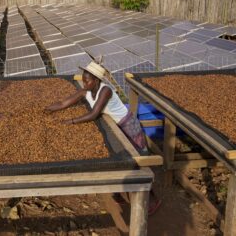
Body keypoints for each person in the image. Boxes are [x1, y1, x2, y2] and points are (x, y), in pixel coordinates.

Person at [45, 61, 161, 215]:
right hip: (114, 125)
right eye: (84, 80)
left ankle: (151, 198)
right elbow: (64, 102)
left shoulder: (105, 90)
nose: (84, 83)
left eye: (87, 81)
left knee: (138, 162)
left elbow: (94, 114)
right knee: (120, 158)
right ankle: (119, 192)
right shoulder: (86, 90)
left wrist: (71, 121)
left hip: (127, 125)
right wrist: (47, 109)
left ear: (96, 81)